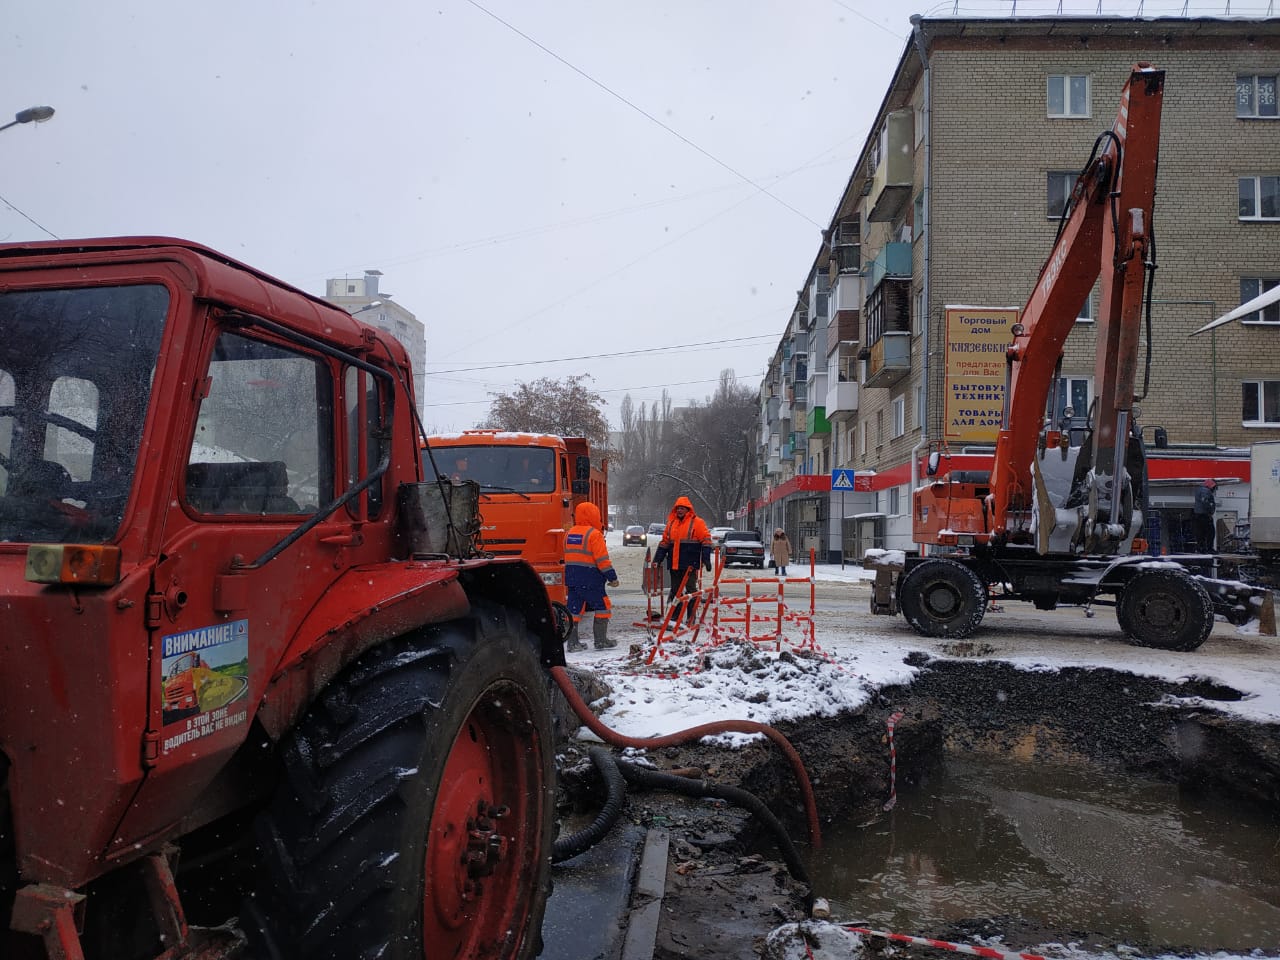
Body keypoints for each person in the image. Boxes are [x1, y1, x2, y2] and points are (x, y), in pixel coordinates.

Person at [564, 500, 619, 651]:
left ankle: (572, 643)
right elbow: (602, 560)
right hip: (591, 579)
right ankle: (601, 641)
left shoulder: (569, 533)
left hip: (572, 578)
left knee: (573, 610)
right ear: (594, 515)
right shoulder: (594, 534)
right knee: (603, 607)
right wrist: (612, 577)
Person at [651, 495, 712, 625]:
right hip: (674, 564)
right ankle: (674, 617)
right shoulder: (671, 523)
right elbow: (664, 543)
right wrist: (657, 559)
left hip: (690, 564)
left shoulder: (697, 522)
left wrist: (706, 559)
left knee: (691, 591)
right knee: (675, 591)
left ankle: (691, 616)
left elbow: (706, 540)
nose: (679, 511)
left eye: (682, 508)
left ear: (688, 509)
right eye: (678, 508)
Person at [1193, 478, 1217, 552]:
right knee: (1210, 532)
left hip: (1198, 515)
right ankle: (1209, 548)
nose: (1214, 490)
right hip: (1204, 515)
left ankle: (1201, 547)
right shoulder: (1205, 491)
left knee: (1200, 533)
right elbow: (1205, 502)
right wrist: (1210, 510)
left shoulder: (1198, 490)